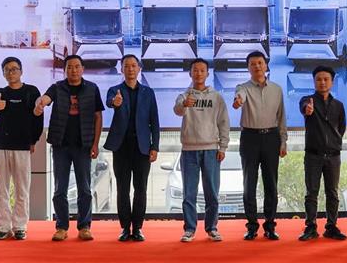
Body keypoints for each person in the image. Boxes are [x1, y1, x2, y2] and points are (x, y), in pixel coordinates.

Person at [34, 55, 104, 242]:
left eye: (77, 67)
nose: (73, 70)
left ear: (82, 69)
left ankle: (84, 226)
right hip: (61, 145)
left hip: (84, 145)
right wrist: (40, 103)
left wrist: (95, 143)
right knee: (60, 189)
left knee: (85, 189)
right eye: (69, 67)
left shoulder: (92, 88)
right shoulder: (57, 87)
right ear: (64, 70)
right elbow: (46, 98)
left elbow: (98, 117)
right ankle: (61, 227)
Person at [0, 56, 43, 241]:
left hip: (23, 147)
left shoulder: (31, 91)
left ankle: (20, 227)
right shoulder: (0, 93)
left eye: (14, 69)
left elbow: (38, 117)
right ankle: (4, 227)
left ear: (21, 71)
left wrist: (33, 140)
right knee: (1, 189)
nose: (11, 73)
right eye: (7, 70)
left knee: (22, 189)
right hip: (1, 146)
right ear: (3, 73)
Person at [173, 58, 230, 243]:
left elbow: (224, 123)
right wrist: (184, 105)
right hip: (189, 150)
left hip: (211, 149)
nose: (198, 73)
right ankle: (189, 229)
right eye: (195, 70)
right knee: (189, 193)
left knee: (212, 192)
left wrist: (223, 146)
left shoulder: (216, 97)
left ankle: (212, 228)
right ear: (190, 73)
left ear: (207, 73)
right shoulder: (184, 95)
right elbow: (177, 111)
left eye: (202, 70)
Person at [104, 54, 160, 242]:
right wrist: (115, 102)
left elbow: (154, 122)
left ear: (139, 68)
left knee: (141, 188)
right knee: (122, 188)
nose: (130, 69)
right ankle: (124, 227)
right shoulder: (114, 90)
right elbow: (110, 101)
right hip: (121, 147)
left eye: (133, 65)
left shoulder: (148, 92)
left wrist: (155, 146)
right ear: (121, 69)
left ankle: (137, 227)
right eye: (126, 66)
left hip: (142, 147)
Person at [233, 51, 287, 241]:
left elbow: (281, 117)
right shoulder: (243, 88)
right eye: (252, 64)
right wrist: (238, 101)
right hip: (250, 138)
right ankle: (252, 226)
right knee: (249, 183)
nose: (257, 66)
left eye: (260, 63)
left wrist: (283, 141)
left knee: (271, 183)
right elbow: (239, 97)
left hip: (271, 137)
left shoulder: (277, 89)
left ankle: (270, 226)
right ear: (248, 68)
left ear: (266, 65)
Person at [298, 65, 347, 241]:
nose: (322, 82)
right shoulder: (307, 100)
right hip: (313, 155)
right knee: (311, 193)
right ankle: (310, 227)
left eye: (326, 79)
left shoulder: (339, 105)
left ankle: (331, 227)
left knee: (332, 193)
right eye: (318, 79)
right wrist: (307, 110)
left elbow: (341, 128)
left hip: (333, 156)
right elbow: (304, 107)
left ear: (332, 82)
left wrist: (333, 143)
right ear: (314, 82)